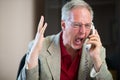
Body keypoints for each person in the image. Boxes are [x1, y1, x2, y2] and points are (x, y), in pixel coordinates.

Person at [17, 0, 113, 80]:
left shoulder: (97, 50)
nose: (83, 32)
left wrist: (96, 59)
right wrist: (34, 55)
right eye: (76, 25)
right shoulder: (39, 47)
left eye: (87, 25)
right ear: (63, 25)